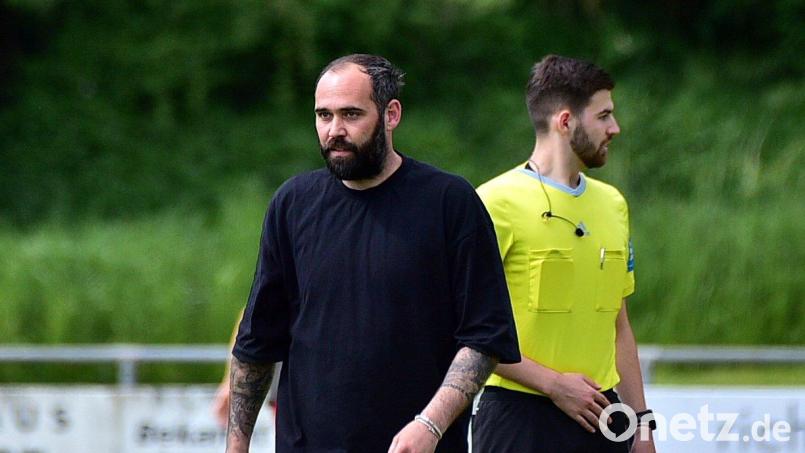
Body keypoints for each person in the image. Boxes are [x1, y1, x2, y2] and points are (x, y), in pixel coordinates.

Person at [225, 54, 520, 453]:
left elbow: (485, 338)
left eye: (351, 114)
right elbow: (257, 343)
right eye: (324, 116)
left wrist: (430, 425)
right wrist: (236, 446)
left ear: (391, 114)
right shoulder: (292, 204)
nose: (335, 130)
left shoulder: (449, 203)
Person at [471, 55, 656, 453]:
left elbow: (619, 326)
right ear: (566, 122)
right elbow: (464, 327)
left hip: (604, 417)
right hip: (517, 419)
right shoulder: (493, 203)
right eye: (603, 116)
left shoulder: (613, 204)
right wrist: (554, 384)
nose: (615, 128)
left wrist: (642, 425)